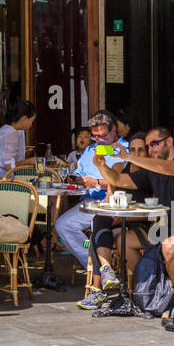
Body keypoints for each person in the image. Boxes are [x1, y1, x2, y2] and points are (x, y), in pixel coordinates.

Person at [110, 127, 174, 290]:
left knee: (170, 246)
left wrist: (128, 156)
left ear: (169, 142)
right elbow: (118, 179)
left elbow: (169, 168)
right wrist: (100, 165)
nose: (150, 150)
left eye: (154, 144)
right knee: (125, 240)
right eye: (148, 146)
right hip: (169, 229)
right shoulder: (152, 170)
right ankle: (150, 289)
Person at [56, 111, 127, 307]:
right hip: (87, 202)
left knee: (98, 228)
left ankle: (101, 274)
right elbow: (80, 173)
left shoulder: (122, 150)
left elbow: (121, 180)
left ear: (113, 130)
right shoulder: (91, 150)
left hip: (113, 204)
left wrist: (96, 182)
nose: (98, 140)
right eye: (95, 136)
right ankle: (98, 267)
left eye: (103, 135)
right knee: (62, 225)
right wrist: (76, 179)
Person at [0, 100, 36, 176]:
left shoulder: (5, 129)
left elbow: (3, 152)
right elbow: (9, 167)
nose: (31, 124)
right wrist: (30, 161)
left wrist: (21, 150)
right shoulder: (12, 134)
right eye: (31, 121)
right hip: (5, 182)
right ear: (24, 118)